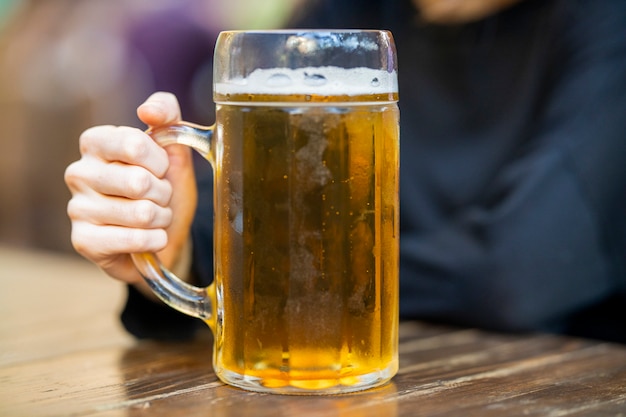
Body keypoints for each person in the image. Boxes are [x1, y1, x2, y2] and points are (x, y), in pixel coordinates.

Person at [65, 0, 626, 343]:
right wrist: (172, 241)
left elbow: (520, 274)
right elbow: (234, 206)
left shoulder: (607, 23)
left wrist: (261, 276)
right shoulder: (337, 15)